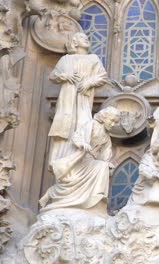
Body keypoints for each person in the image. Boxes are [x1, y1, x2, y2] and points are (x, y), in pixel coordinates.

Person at [40, 107, 120, 212]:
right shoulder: (92, 124)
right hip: (81, 159)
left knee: (103, 167)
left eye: (115, 123)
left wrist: (108, 163)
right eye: (112, 121)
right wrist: (82, 143)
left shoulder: (106, 137)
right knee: (73, 180)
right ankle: (53, 192)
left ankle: (96, 197)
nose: (113, 124)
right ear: (104, 117)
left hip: (92, 161)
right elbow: (77, 136)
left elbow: (106, 154)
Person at [48, 32, 107, 167]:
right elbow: (53, 76)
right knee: (64, 126)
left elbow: (102, 76)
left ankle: (82, 157)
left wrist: (89, 82)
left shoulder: (93, 58)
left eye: (86, 37)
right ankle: (61, 158)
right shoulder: (66, 59)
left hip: (84, 98)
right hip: (67, 99)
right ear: (74, 42)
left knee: (84, 123)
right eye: (81, 38)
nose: (86, 39)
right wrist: (64, 75)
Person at [129, 136, 159, 206]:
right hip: (142, 189)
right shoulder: (149, 157)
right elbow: (143, 170)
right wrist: (155, 174)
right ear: (158, 148)